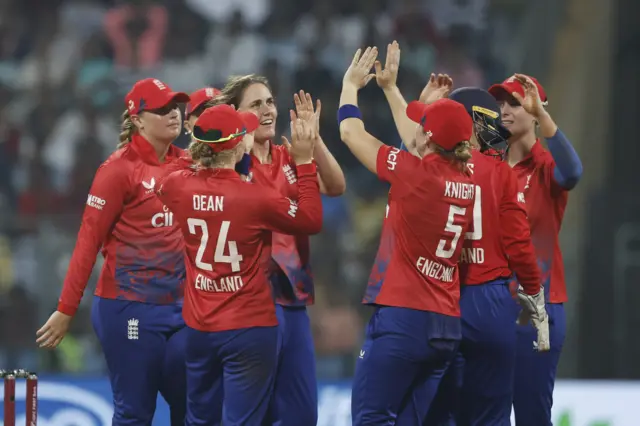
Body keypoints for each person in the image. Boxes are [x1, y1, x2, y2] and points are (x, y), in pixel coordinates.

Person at [155, 103, 323, 425]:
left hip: (199, 326)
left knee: (199, 420)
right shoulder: (255, 197)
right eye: (245, 132)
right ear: (236, 145)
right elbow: (311, 219)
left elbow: (167, 182)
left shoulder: (178, 185)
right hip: (249, 326)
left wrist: (204, 155)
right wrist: (304, 163)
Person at [36, 78, 191, 425]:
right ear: (137, 119)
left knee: (197, 407)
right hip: (129, 307)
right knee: (135, 413)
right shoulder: (118, 170)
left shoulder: (189, 164)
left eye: (176, 107)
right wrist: (66, 308)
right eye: (162, 109)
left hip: (183, 309)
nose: (174, 114)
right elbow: (88, 241)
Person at [338, 46, 475, 425]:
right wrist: (395, 92)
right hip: (445, 324)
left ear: (428, 140)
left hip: (403, 319)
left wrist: (351, 86)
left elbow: (350, 132)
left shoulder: (414, 174)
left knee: (372, 418)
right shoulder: (468, 178)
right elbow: (423, 140)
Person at [207, 75, 346, 426]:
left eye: (269, 101)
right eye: (255, 105)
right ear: (235, 115)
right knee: (251, 416)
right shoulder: (230, 165)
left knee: (301, 416)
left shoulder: (290, 157)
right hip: (250, 302)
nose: (267, 110)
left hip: (293, 301)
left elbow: (335, 186)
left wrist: (313, 144)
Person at [488, 74, 583, 426]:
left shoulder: (546, 167)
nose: (505, 111)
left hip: (536, 309)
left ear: (535, 110)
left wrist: (543, 117)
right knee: (483, 412)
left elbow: (573, 173)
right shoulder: (489, 167)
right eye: (501, 104)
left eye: (514, 103)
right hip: (489, 305)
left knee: (531, 415)